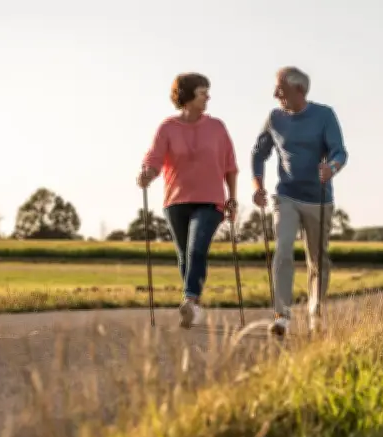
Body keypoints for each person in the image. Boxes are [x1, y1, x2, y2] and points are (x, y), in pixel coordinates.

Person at [250, 66, 348, 336]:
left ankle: (316, 314)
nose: (274, 95)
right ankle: (282, 315)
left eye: (279, 90)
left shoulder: (324, 115)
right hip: (286, 195)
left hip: (319, 198)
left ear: (299, 90)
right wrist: (258, 185)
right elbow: (258, 154)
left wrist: (332, 168)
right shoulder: (274, 118)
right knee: (282, 251)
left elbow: (339, 151)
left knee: (318, 260)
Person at [136, 73, 239, 328]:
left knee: (196, 249)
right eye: (203, 92)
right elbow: (154, 159)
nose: (208, 97)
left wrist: (233, 198)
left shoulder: (217, 127)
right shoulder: (167, 127)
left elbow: (230, 166)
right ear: (188, 95)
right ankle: (194, 306)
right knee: (184, 255)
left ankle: (190, 299)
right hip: (176, 202)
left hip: (211, 201)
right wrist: (147, 174)